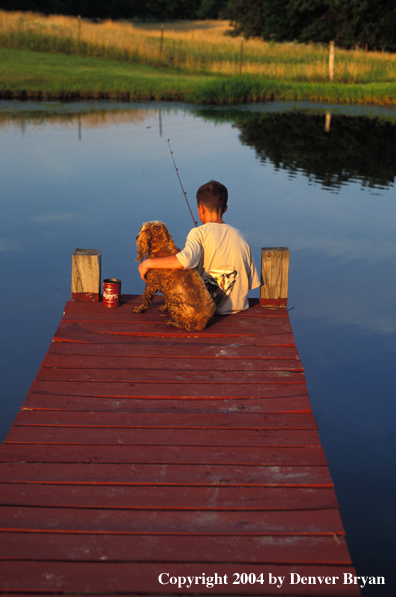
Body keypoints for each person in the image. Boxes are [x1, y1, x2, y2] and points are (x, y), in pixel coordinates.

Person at [137, 180, 260, 314]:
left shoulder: (198, 233)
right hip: (240, 311)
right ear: (225, 208)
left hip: (207, 313)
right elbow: (251, 283)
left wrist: (148, 263)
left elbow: (186, 260)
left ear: (201, 208)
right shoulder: (241, 236)